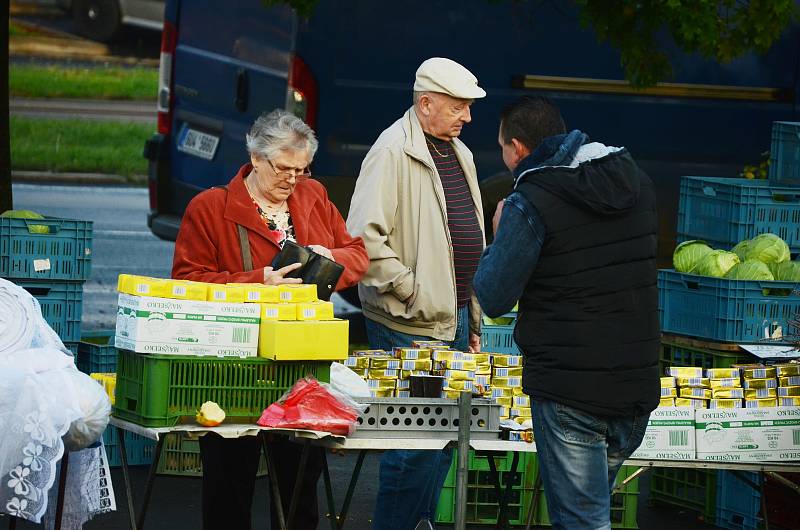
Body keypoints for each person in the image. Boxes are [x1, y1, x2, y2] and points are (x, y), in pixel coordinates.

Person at [172, 109, 369, 530]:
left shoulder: (312, 196)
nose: (292, 179)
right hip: (232, 368)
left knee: (300, 483)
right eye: (283, 168)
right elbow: (186, 283)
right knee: (229, 481)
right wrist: (256, 282)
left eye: (301, 169)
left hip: (302, 365)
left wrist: (330, 258)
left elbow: (357, 255)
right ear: (256, 157)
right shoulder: (210, 208)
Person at [472, 96, 660, 530]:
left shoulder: (530, 200)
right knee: (590, 513)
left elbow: (494, 296)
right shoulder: (637, 183)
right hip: (635, 387)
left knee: (582, 521)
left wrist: (501, 235)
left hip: (570, 391)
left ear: (517, 148)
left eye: (502, 148)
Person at [346, 57, 486, 530]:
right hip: (408, 321)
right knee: (414, 445)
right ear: (426, 103)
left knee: (444, 438)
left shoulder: (458, 151)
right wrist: (411, 290)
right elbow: (363, 238)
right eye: (459, 106)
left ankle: (419, 523)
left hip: (452, 316)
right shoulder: (391, 151)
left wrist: (471, 313)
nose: (467, 117)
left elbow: (468, 236)